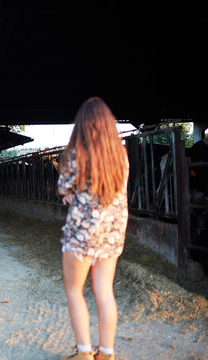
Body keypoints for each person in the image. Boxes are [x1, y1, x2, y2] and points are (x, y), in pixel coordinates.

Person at [58, 97, 129, 360]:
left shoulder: (76, 153)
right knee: (104, 292)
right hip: (112, 234)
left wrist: (69, 195)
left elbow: (64, 187)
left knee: (75, 291)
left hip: (82, 235)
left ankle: (84, 353)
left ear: (83, 125)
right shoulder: (120, 155)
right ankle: (107, 354)